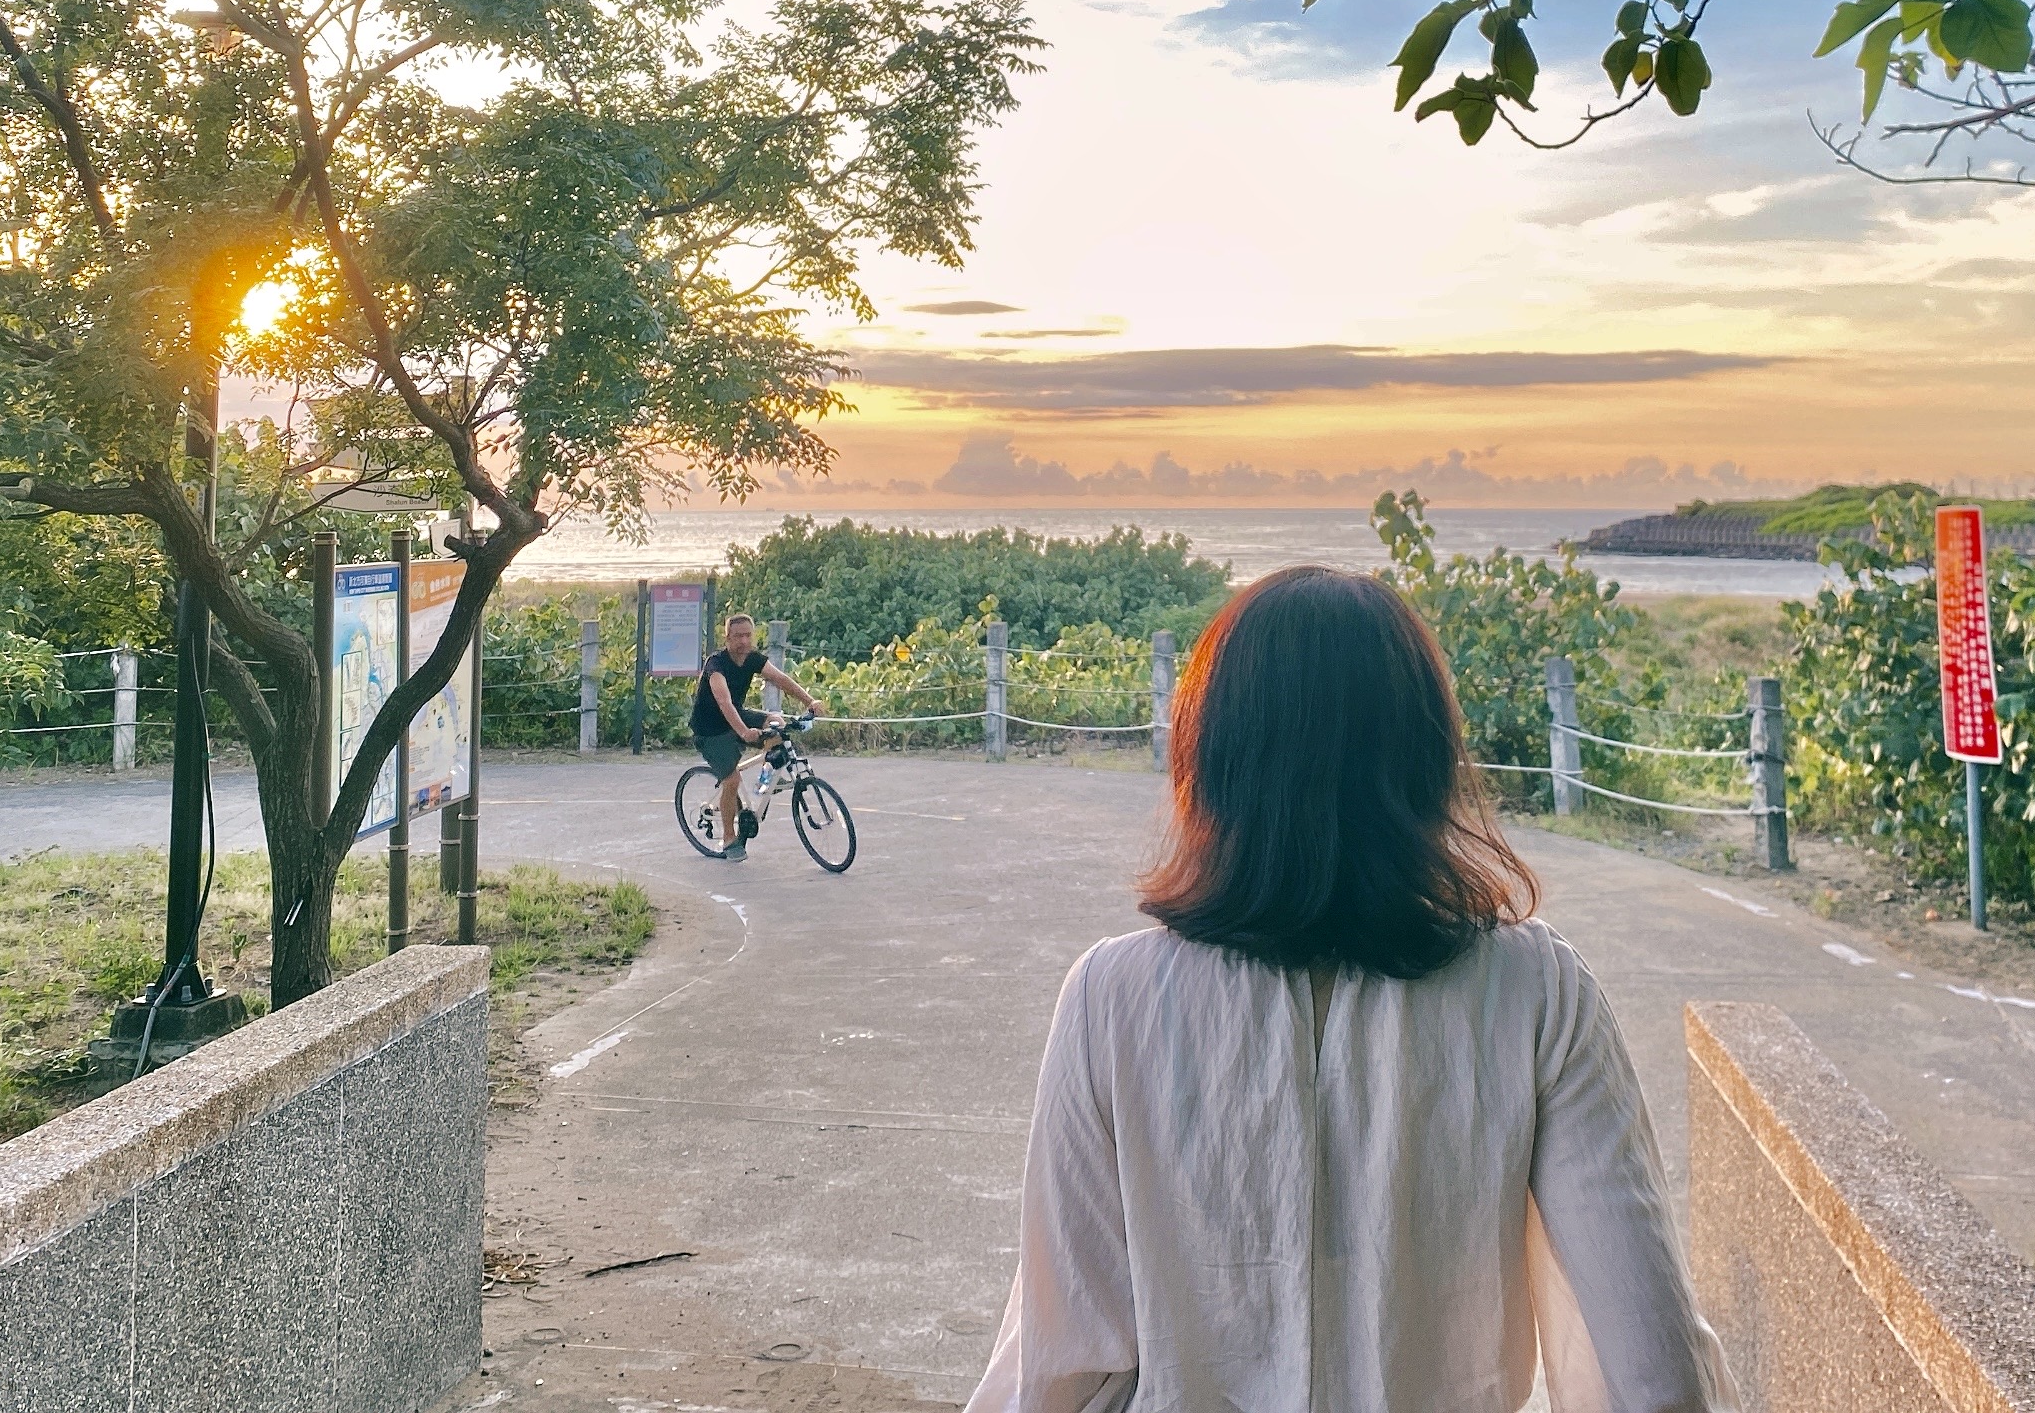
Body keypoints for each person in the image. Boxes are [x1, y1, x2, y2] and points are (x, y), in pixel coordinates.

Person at [965, 567, 1733, 1413]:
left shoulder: (1110, 999)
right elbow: (1650, 1364)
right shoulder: (1536, 993)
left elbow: (1059, 1357)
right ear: (1423, 757)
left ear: (1211, 755)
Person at [692, 611, 820, 862]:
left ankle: (767, 778)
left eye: (748, 635)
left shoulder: (752, 659)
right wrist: (743, 731)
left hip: (737, 716)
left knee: (777, 723)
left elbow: (781, 679)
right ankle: (729, 840)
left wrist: (810, 701)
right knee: (731, 781)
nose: (743, 641)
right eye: (738, 636)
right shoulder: (715, 664)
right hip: (711, 730)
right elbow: (724, 701)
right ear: (726, 637)